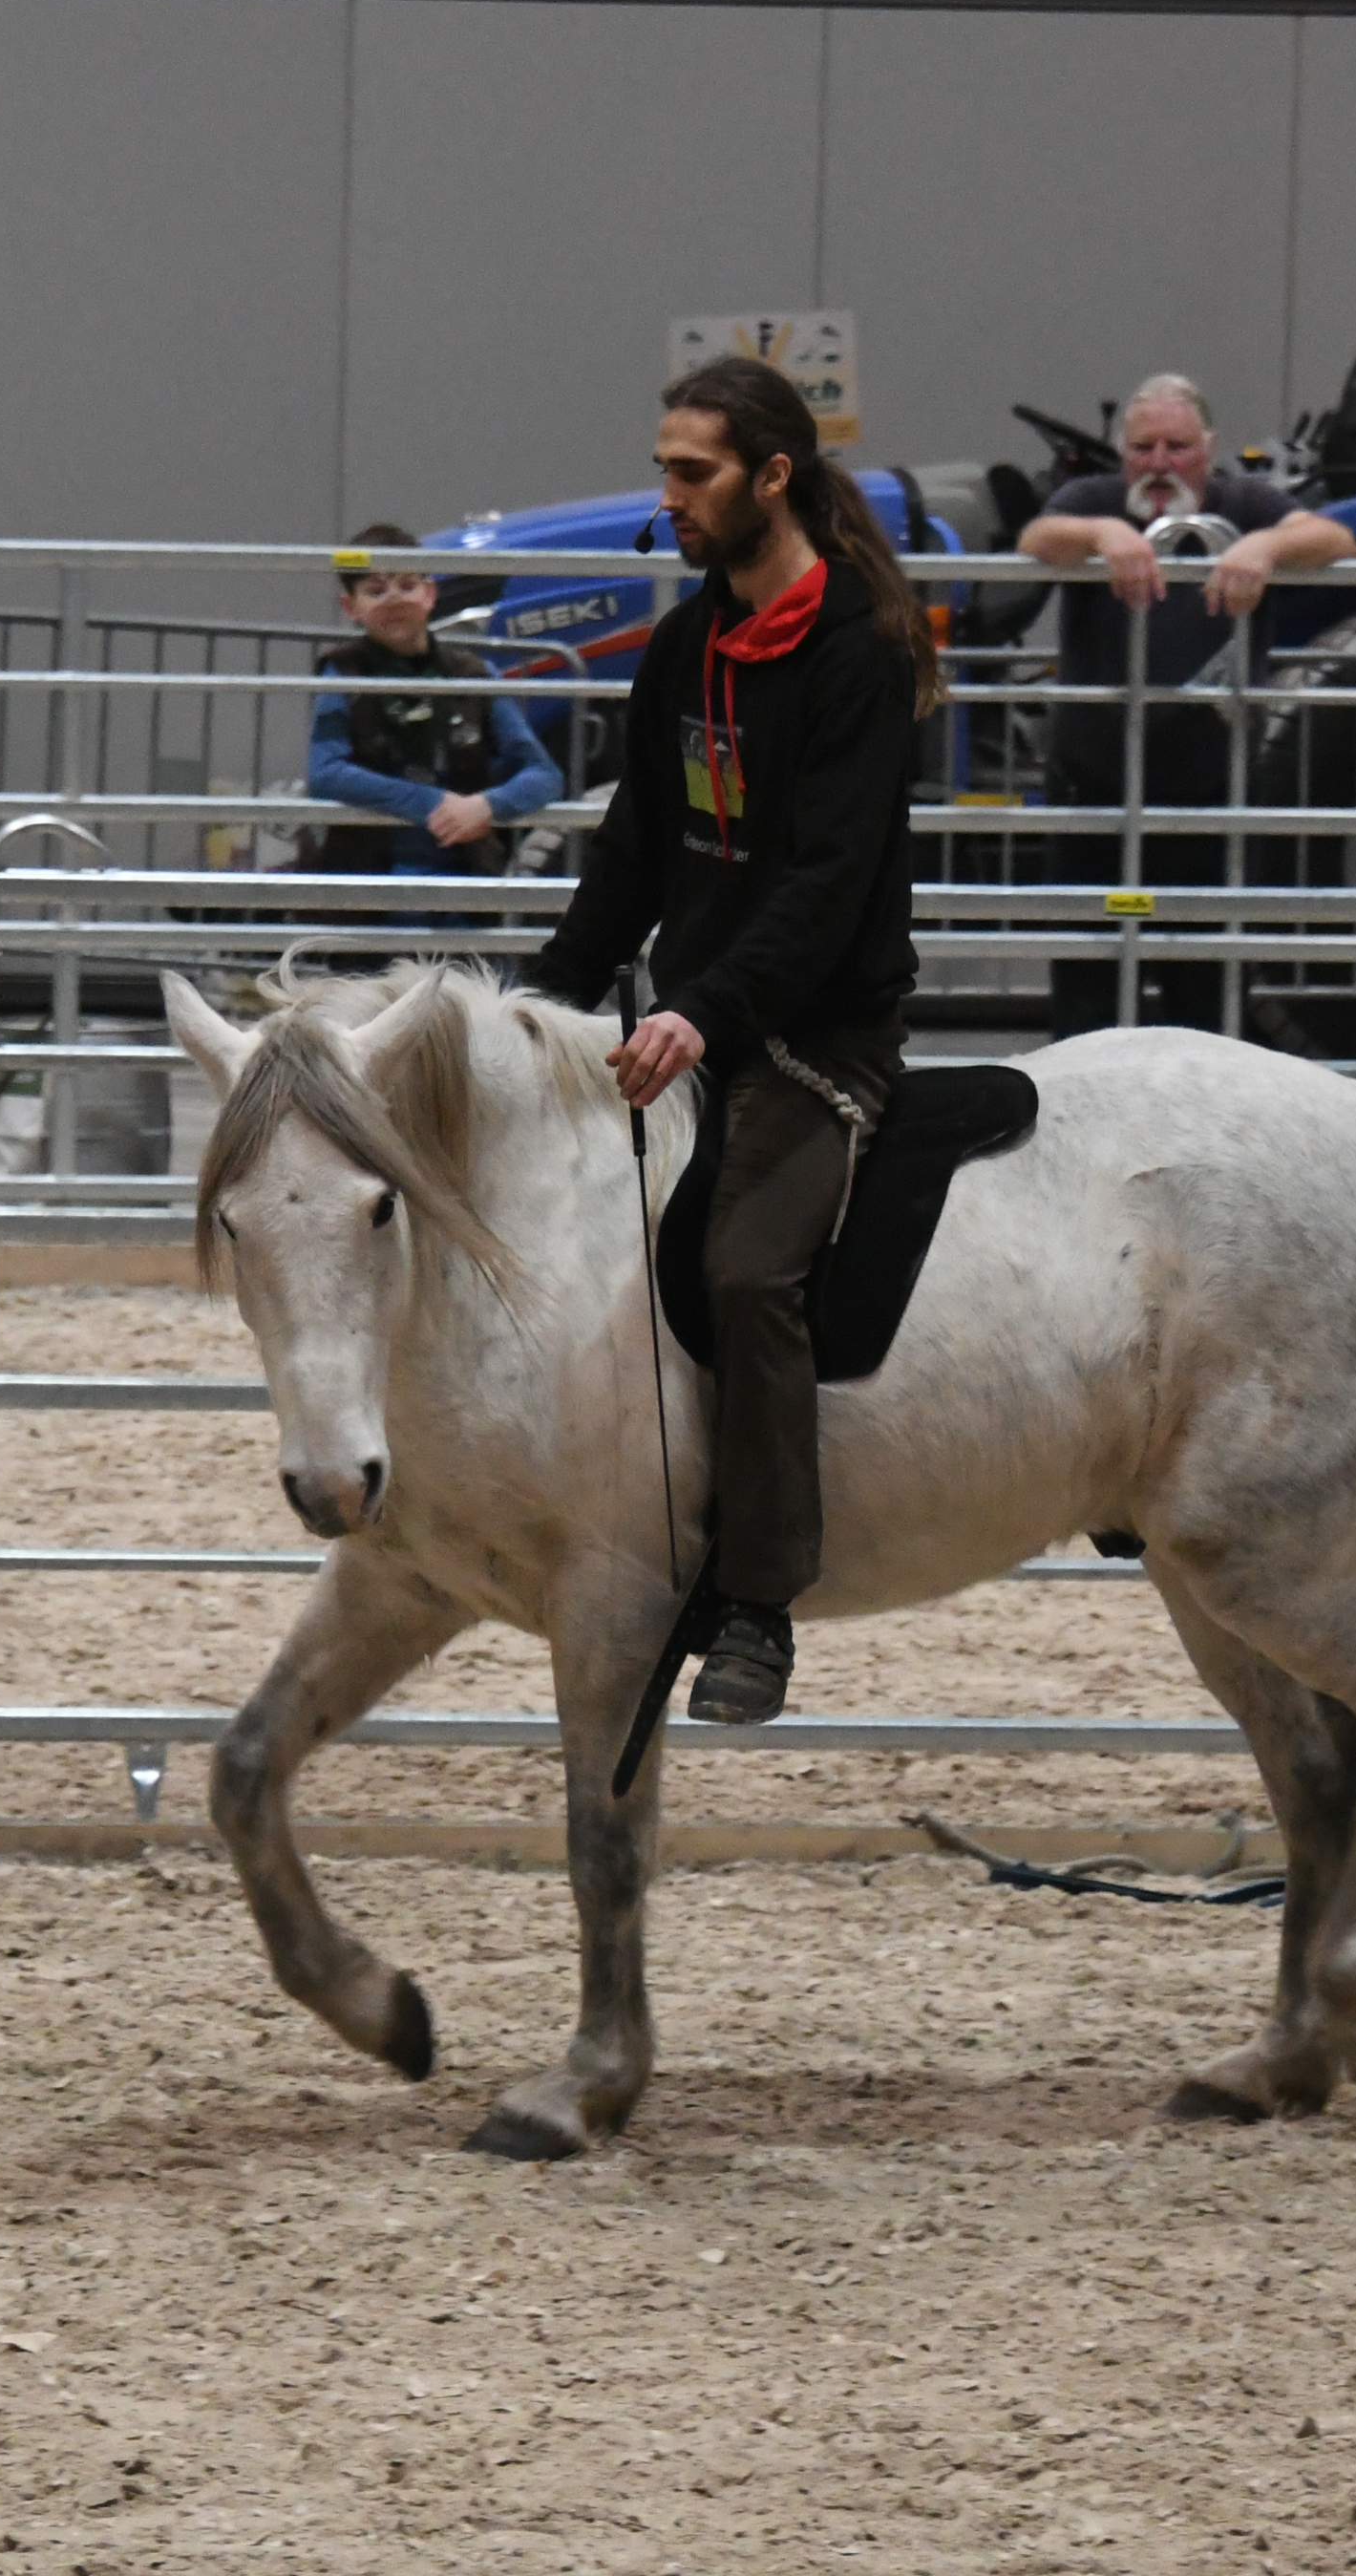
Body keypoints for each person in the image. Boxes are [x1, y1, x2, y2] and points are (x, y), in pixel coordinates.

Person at [528, 355, 939, 1729]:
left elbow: (825, 889)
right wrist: (546, 1001)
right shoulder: (685, 646)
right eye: (663, 468)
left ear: (774, 477)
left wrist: (701, 1012)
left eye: (691, 472)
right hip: (692, 1026)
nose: (668, 498)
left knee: (749, 1271)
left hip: (821, 1038)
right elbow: (638, 848)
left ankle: (758, 1600)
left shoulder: (863, 656)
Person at [1016, 372, 1356, 1035]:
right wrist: (1101, 536)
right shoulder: (1097, 498)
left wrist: (1265, 545)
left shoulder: (1245, 502)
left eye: (1177, 446)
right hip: (1095, 792)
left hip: (1211, 797)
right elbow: (1036, 539)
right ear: (1123, 454)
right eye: (1144, 448)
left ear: (1209, 447)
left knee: (1207, 1000)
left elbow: (1337, 541)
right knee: (1087, 994)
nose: (1159, 463)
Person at [303, 525, 561, 875]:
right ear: (350, 606)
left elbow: (544, 774)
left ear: (430, 593)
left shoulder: (474, 676)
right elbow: (325, 773)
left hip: (464, 881)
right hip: (364, 885)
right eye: (376, 591)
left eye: (407, 586)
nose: (394, 600)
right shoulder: (343, 673)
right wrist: (432, 803)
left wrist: (486, 807)